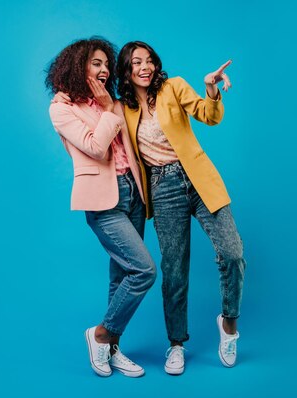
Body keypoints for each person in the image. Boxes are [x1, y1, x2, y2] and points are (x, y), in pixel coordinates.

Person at [116, 41, 246, 375]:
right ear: (127, 72)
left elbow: (208, 115)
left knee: (232, 253)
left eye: (148, 61)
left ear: (156, 64)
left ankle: (229, 325)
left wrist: (211, 90)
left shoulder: (174, 87)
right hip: (163, 188)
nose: (144, 67)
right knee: (174, 270)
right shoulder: (122, 109)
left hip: (198, 177)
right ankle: (176, 344)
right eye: (136, 63)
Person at [45, 37, 156, 377]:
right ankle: (100, 334)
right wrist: (108, 110)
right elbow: (95, 147)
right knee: (144, 271)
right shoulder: (61, 108)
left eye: (107, 64)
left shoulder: (114, 102)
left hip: (132, 194)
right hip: (101, 200)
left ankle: (111, 349)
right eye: (96, 63)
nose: (104, 69)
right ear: (78, 65)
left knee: (121, 274)